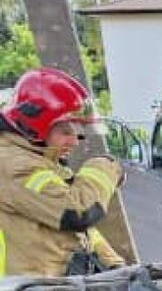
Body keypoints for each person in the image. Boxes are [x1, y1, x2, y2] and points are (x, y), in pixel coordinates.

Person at [0, 67, 124, 277]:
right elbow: (76, 212)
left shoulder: (40, 160)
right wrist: (103, 168)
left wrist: (116, 267)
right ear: (34, 127)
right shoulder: (12, 165)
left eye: (77, 133)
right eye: (65, 131)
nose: (74, 142)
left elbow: (80, 234)